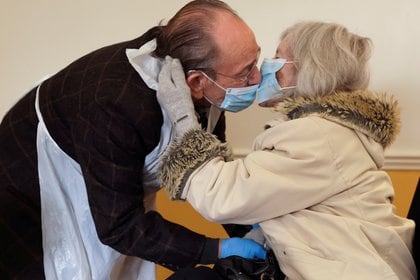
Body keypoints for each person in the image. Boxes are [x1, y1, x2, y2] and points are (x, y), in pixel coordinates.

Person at [0, 0, 266, 279]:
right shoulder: (114, 106)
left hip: (111, 192)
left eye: (256, 61)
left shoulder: (202, 83)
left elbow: (213, 177)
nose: (257, 78)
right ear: (196, 83)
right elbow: (119, 225)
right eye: (245, 72)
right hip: (32, 191)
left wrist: (251, 230)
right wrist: (215, 249)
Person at [157, 21, 417, 279]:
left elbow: (220, 197)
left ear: (312, 70)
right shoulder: (328, 131)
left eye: (278, 58)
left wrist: (183, 119)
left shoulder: (318, 135)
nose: (262, 71)